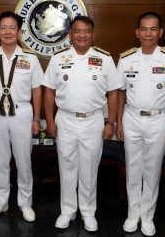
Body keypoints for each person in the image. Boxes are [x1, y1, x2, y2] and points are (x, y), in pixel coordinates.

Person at [42, 15, 121, 232]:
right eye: (77, 31)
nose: (82, 35)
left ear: (93, 35)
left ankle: (87, 212)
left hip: (94, 120)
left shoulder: (104, 59)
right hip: (65, 119)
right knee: (66, 166)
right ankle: (67, 210)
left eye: (86, 31)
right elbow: (48, 91)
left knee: (88, 168)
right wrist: (50, 120)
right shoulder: (58, 58)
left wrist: (111, 122)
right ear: (70, 34)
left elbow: (113, 93)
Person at [116, 12, 165, 236]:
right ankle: (132, 214)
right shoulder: (126, 58)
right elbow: (120, 93)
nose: (148, 34)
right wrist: (119, 122)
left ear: (160, 32)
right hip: (131, 118)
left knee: (152, 169)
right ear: (137, 32)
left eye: (153, 29)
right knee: (133, 168)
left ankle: (147, 217)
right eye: (144, 29)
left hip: (159, 120)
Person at [0, 11, 44, 222]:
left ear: (20, 31)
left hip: (22, 113)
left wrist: (36, 119)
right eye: (3, 27)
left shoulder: (30, 59)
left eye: (12, 28)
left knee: (23, 161)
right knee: (0, 160)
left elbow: (37, 90)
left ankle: (25, 203)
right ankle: (0, 202)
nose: (7, 32)